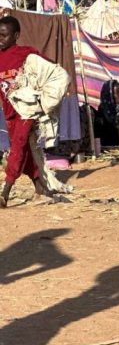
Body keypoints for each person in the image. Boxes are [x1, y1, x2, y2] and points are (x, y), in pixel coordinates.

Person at [0, 16, 49, 208]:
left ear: (16, 36)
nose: (0, 39)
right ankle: (40, 188)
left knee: (18, 146)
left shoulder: (26, 54)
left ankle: (5, 191)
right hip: (10, 113)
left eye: (4, 35)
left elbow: (48, 69)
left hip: (26, 111)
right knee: (24, 151)